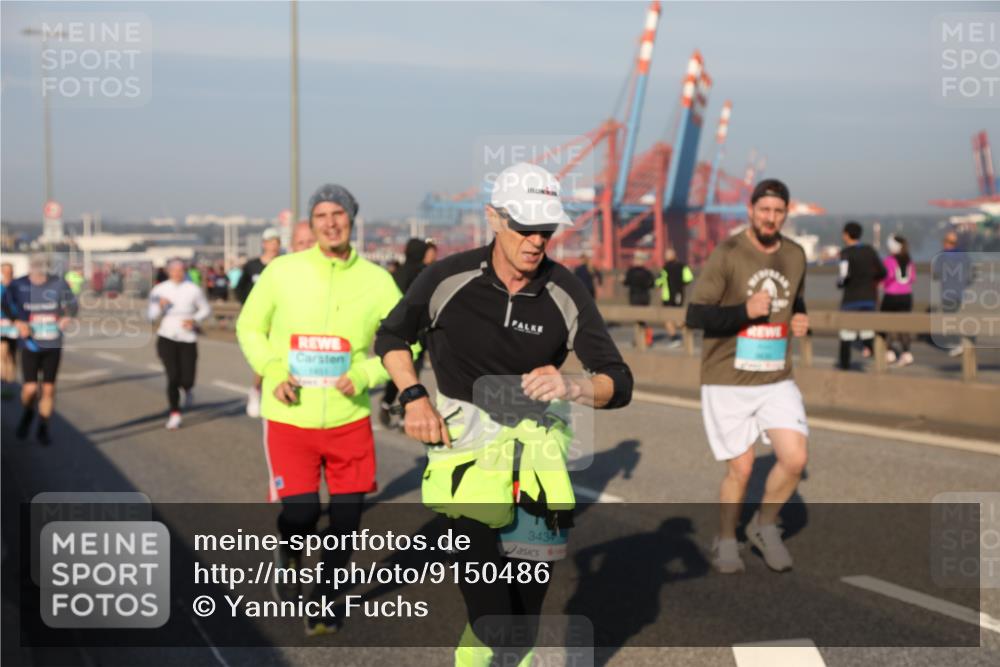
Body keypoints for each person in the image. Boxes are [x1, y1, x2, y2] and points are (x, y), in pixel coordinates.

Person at [375, 162, 632, 665]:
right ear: (495, 219)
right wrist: (413, 395)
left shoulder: (566, 290)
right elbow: (389, 336)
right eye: (525, 227)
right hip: (465, 464)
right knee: (493, 614)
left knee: (522, 620)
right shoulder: (447, 278)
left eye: (546, 229)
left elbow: (618, 382)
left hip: (537, 469)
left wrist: (572, 384)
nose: (537, 240)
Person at [236, 183, 402, 637]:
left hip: (349, 419)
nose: (330, 222)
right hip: (291, 417)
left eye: (339, 214)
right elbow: (249, 326)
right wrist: (273, 369)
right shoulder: (283, 272)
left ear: (352, 220)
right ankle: (289, 553)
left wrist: (368, 373)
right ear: (311, 224)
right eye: (321, 215)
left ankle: (326, 598)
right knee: (303, 513)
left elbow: (406, 340)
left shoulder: (377, 281)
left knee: (346, 522)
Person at [685, 178, 809, 574]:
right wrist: (744, 311)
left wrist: (801, 315)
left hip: (776, 377)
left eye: (778, 211)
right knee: (740, 468)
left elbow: (795, 296)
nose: (770, 218)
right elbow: (696, 315)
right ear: (751, 211)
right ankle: (725, 538)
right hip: (728, 378)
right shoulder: (728, 253)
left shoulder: (795, 254)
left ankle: (764, 526)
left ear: (785, 213)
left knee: (795, 459)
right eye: (764, 210)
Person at [2, 254, 79, 445]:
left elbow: (72, 305)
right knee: (29, 389)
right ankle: (28, 413)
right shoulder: (18, 285)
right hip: (29, 343)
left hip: (53, 344)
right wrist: (18, 321)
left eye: (43, 273)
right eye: (35, 272)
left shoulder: (59, 284)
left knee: (48, 389)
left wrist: (67, 316)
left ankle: (43, 426)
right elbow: (4, 303)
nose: (39, 278)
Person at [147, 259, 212, 430]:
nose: (177, 273)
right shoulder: (159, 290)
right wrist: (159, 307)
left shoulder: (193, 289)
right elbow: (151, 315)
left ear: (184, 271)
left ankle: (188, 389)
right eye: (173, 270)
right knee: (172, 376)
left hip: (188, 337)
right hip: (167, 336)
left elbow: (206, 309)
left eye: (180, 270)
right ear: (168, 271)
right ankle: (175, 413)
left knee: (187, 378)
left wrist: (194, 320)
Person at [377, 238, 429, 427]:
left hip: (394, 330)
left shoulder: (396, 273)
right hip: (417, 332)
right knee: (412, 375)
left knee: (396, 373)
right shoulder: (423, 274)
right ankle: (405, 413)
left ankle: (387, 404)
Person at [236, 228, 283, 417]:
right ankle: (256, 389)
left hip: (279, 317)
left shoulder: (284, 264)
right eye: (270, 241)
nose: (273, 245)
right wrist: (249, 308)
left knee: (280, 355)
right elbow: (240, 289)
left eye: (276, 241)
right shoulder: (251, 266)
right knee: (264, 355)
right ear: (264, 244)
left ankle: (274, 389)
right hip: (259, 319)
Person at [836, 221, 885, 370]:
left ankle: (844, 367)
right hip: (869, 298)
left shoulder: (845, 253)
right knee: (868, 332)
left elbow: (843, 277)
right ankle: (878, 364)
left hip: (851, 299)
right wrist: (871, 280)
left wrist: (840, 284)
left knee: (846, 334)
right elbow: (883, 271)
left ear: (846, 234)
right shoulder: (869, 250)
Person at [933, 231, 974, 357]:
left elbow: (936, 273)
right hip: (960, 292)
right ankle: (961, 342)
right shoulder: (964, 256)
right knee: (956, 316)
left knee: (949, 318)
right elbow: (971, 274)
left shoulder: (942, 256)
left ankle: (957, 344)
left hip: (947, 292)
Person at [880, 234, 915, 366]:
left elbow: (887, 277)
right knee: (904, 324)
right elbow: (912, 278)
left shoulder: (889, 260)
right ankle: (907, 353)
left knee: (885, 323)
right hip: (907, 296)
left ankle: (889, 352)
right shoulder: (909, 260)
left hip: (891, 295)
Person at [655, 247, 694, 347]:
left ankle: (675, 338)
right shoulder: (682, 266)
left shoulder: (665, 268)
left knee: (669, 318)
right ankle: (684, 336)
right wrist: (680, 285)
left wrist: (658, 287)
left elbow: (658, 282)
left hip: (667, 296)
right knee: (676, 317)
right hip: (678, 295)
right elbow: (689, 278)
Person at [623, 252, 656, 347]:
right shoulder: (647, 272)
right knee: (643, 319)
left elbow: (626, 282)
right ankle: (645, 339)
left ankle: (639, 339)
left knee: (637, 320)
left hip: (634, 297)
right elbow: (652, 284)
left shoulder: (631, 272)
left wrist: (622, 280)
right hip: (645, 298)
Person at [1, 263, 19, 401]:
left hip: (15, 324)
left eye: (10, 271)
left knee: (12, 355)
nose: (8, 273)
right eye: (6, 271)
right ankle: (3, 383)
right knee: (2, 352)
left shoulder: (18, 287)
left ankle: (10, 384)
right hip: (1, 323)